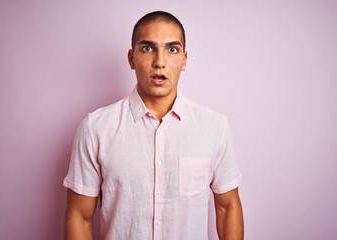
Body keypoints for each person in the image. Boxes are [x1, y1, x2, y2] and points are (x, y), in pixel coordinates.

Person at [64, 11, 243, 240]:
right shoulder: (95, 128)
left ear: (184, 60)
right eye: (147, 48)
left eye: (172, 49)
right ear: (131, 58)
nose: (160, 62)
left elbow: (227, 207)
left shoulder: (214, 127)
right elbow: (80, 216)